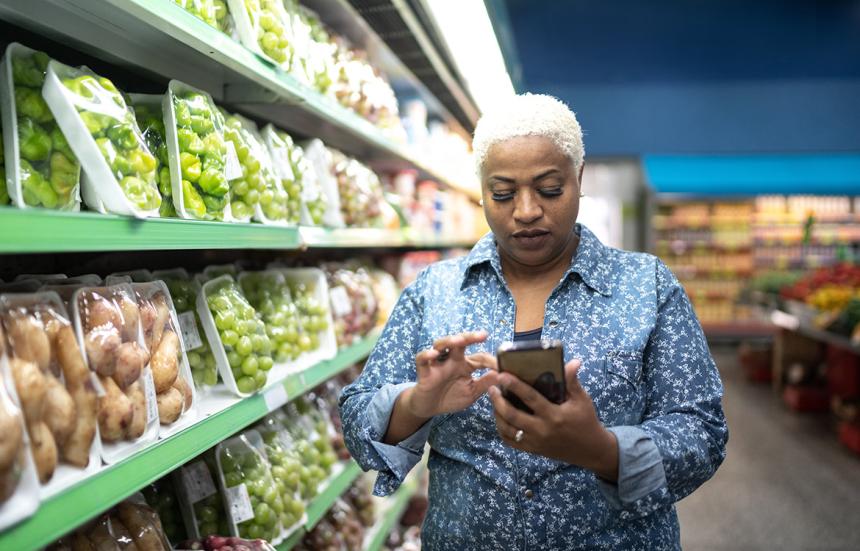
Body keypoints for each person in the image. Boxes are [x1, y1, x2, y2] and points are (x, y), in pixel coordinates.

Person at [339, 93, 728, 550]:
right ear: (480, 189)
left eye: (549, 189)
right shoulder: (433, 292)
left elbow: (702, 430)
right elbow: (356, 417)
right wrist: (416, 403)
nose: (525, 211)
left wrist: (601, 449)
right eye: (502, 193)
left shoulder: (647, 286)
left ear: (578, 179)